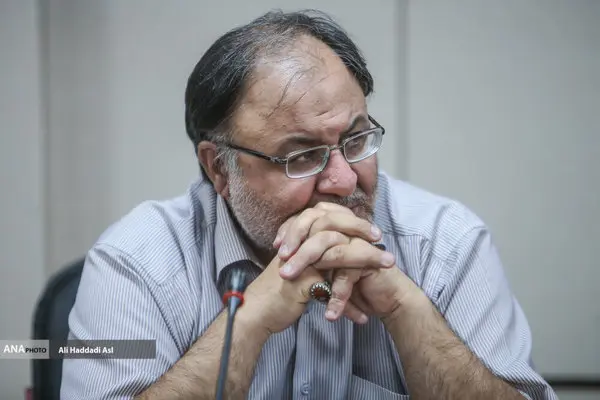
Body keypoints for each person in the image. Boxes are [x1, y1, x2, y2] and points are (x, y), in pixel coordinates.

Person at [60, 9, 557, 400]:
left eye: (356, 139)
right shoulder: (137, 262)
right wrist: (248, 321)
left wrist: (405, 309)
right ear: (219, 169)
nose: (343, 180)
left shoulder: (446, 243)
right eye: (301, 156)